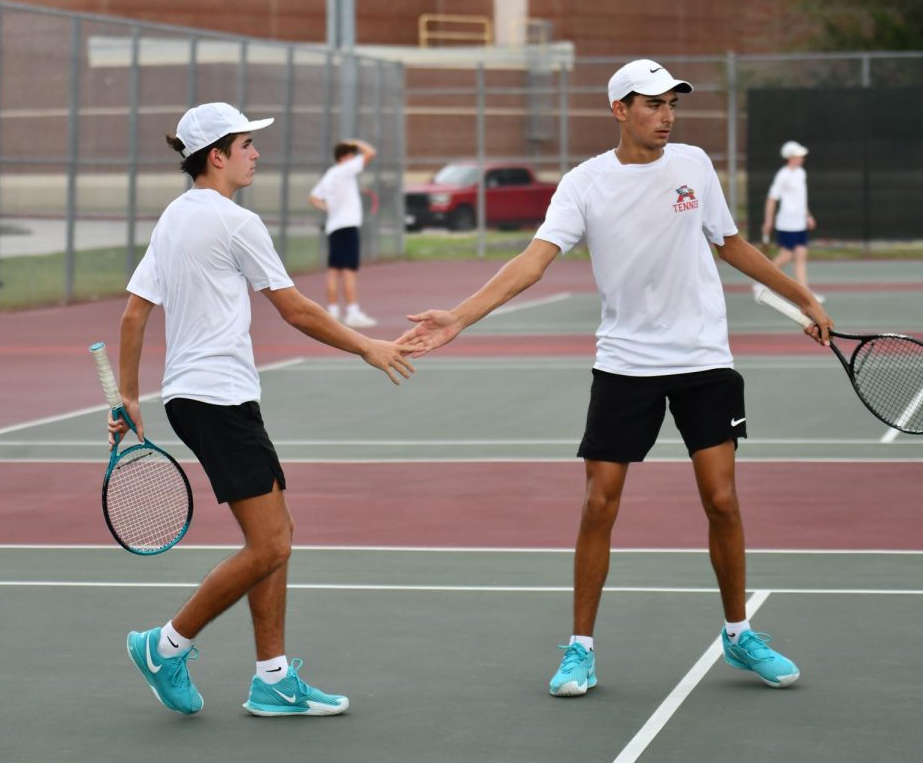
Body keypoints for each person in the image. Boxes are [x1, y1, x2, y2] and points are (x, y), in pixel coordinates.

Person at [400, 60, 832, 697]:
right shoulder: (584, 184)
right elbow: (534, 261)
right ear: (619, 110)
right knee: (600, 503)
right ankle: (580, 648)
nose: (667, 116)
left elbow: (733, 245)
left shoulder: (693, 165)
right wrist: (460, 317)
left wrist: (805, 299)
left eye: (672, 105)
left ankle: (739, 633)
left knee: (722, 500)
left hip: (704, 359)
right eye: (654, 105)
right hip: (626, 363)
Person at [112, 102, 418, 717]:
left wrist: (128, 395)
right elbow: (296, 308)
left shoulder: (173, 219)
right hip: (217, 397)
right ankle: (164, 646)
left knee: (277, 535)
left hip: (199, 397)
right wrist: (368, 346)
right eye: (247, 144)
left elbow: (134, 312)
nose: (257, 154)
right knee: (272, 545)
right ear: (216, 156)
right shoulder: (234, 222)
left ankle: (273, 679)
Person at [309, 138, 378, 328]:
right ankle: (353, 312)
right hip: (347, 227)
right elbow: (371, 152)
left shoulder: (331, 174)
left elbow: (313, 198)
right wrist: (354, 142)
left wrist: (330, 209)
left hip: (334, 228)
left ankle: (332, 312)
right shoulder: (346, 169)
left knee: (333, 271)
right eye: (352, 155)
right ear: (346, 156)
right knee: (349, 271)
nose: (355, 158)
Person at [759, 140, 823, 302]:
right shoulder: (783, 175)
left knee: (801, 255)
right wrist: (768, 221)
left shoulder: (801, 173)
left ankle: (805, 293)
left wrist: (808, 216)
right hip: (787, 224)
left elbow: (801, 199)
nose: (802, 158)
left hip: (800, 223)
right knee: (786, 256)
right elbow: (771, 199)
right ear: (791, 157)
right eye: (799, 155)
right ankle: (760, 281)